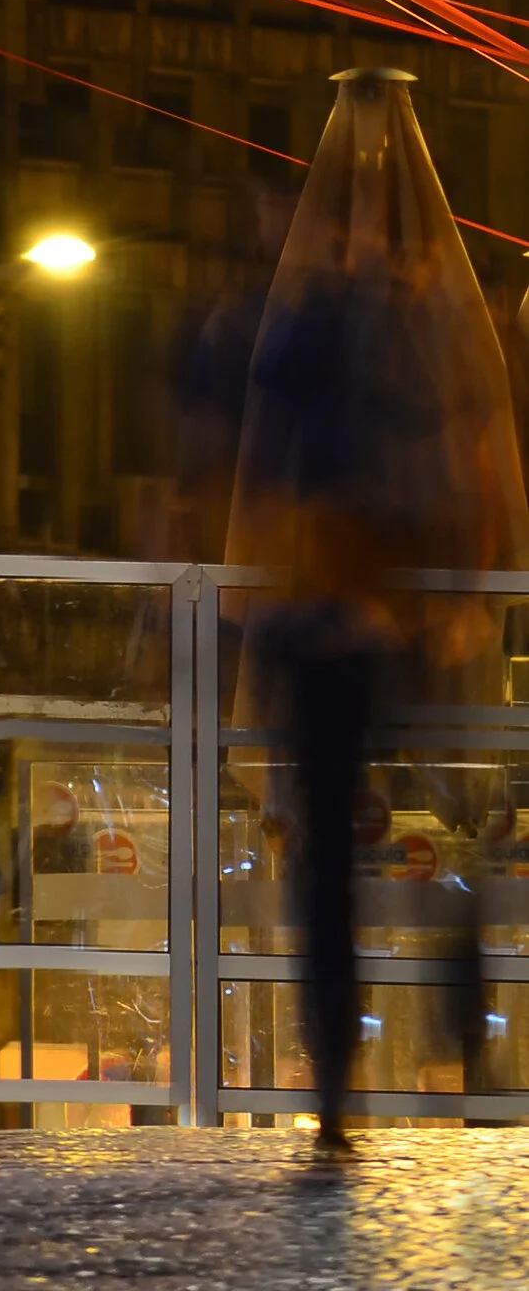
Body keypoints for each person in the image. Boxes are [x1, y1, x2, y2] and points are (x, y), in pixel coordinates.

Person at [228, 69, 529, 1158]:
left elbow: (260, 460)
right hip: (398, 606)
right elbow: (480, 451)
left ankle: (343, 1086)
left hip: (331, 616)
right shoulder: (430, 316)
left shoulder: (313, 320)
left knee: (327, 854)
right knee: (450, 829)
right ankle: (440, 1031)